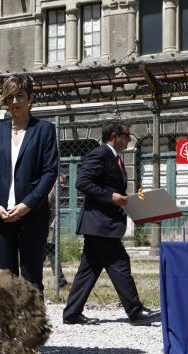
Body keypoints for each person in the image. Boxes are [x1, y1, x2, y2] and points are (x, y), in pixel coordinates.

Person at [62, 121, 161, 326]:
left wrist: (128, 200)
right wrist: (111, 197)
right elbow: (82, 182)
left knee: (88, 270)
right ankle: (135, 312)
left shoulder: (114, 158)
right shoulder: (100, 154)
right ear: (114, 136)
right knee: (120, 264)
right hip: (100, 224)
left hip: (100, 224)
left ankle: (71, 313)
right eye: (127, 136)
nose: (128, 140)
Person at [0, 74, 58, 292]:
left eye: (20, 96)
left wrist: (27, 205)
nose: (15, 102)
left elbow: (49, 172)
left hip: (32, 215)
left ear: (30, 98)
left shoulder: (44, 130)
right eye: (10, 97)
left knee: (32, 277)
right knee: (5, 279)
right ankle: (9, 326)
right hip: (1, 216)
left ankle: (35, 326)